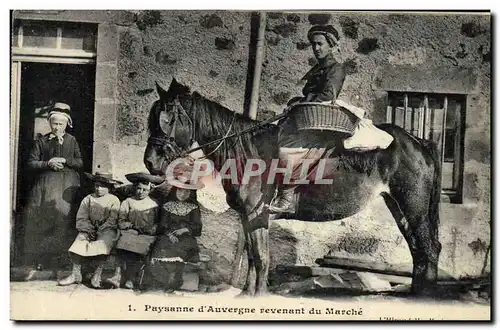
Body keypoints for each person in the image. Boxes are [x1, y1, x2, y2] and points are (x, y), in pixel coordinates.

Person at [267, 25, 350, 213]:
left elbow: (328, 94)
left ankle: (287, 198)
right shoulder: (317, 69)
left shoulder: (335, 69)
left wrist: (302, 101)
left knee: (287, 149)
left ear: (330, 45)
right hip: (306, 118)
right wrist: (296, 102)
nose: (316, 48)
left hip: (320, 122)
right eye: (314, 45)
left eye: (320, 44)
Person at [22, 102, 83, 271]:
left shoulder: (72, 141)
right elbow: (31, 163)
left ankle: (61, 259)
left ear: (66, 124)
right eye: (54, 124)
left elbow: (80, 162)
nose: (57, 127)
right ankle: (42, 259)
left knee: (62, 220)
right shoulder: (42, 141)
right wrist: (48, 163)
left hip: (66, 185)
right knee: (43, 220)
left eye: (60, 124)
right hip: (46, 186)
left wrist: (66, 161)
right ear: (50, 124)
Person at [58, 172, 122, 288]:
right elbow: (82, 216)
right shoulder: (88, 199)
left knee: (103, 244)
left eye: (102, 186)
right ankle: (75, 274)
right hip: (90, 229)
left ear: (109, 187)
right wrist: (89, 228)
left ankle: (97, 274)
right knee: (79, 242)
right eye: (96, 185)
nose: (98, 189)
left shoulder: (114, 200)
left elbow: (113, 218)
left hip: (107, 229)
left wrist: (102, 228)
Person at [105, 172, 164, 290]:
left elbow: (160, 222)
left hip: (147, 234)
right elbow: (121, 221)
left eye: (144, 190)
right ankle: (117, 275)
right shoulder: (128, 202)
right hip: (131, 231)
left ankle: (131, 279)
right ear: (134, 188)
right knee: (124, 240)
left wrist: (153, 228)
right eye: (138, 189)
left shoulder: (154, 204)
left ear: (149, 190)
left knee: (141, 246)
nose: (140, 192)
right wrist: (131, 226)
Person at [145, 175, 203, 292]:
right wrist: (169, 234)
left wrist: (186, 229)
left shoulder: (194, 207)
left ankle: (175, 280)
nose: (182, 193)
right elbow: (162, 224)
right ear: (175, 190)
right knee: (161, 247)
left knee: (182, 249)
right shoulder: (167, 205)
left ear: (190, 192)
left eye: (186, 190)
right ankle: (162, 280)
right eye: (180, 190)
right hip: (168, 235)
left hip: (186, 237)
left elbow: (198, 226)